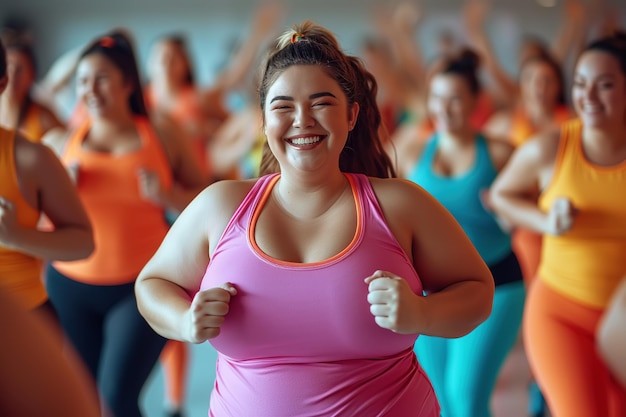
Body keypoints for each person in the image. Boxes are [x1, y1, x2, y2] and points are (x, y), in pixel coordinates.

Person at [135, 20, 494, 416]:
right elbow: (152, 283)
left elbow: (477, 290)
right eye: (283, 107)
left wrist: (422, 313)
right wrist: (185, 321)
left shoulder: (400, 204)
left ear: (352, 115)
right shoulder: (219, 205)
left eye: (321, 103)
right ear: (263, 121)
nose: (302, 120)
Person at [42, 30, 206, 417]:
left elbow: (205, 200)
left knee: (115, 397)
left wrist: (166, 197)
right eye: (83, 81)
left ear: (127, 84)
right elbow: (40, 221)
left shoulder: (163, 133)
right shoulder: (59, 143)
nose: (90, 90)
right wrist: (60, 190)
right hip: (70, 287)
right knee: (81, 399)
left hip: (141, 286)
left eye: (101, 79)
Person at [490, 31, 626, 417]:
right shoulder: (550, 147)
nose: (590, 97)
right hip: (561, 316)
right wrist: (546, 220)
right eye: (581, 84)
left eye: (606, 85)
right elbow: (502, 196)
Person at [395, 48, 525, 417]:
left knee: (466, 400)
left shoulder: (500, 153)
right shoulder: (412, 148)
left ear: (474, 103)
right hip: (430, 291)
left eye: (454, 100)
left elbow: (527, 213)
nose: (443, 109)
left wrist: (507, 215)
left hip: (496, 284)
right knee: (438, 401)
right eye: (436, 98)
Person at [0, 38, 93, 322]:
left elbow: (83, 243)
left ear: (2, 83)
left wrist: (16, 237)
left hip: (23, 321)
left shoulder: (30, 157)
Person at [0, 39, 64, 142]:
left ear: (32, 76)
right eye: (8, 67)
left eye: (19, 69)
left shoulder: (44, 118)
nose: (12, 76)